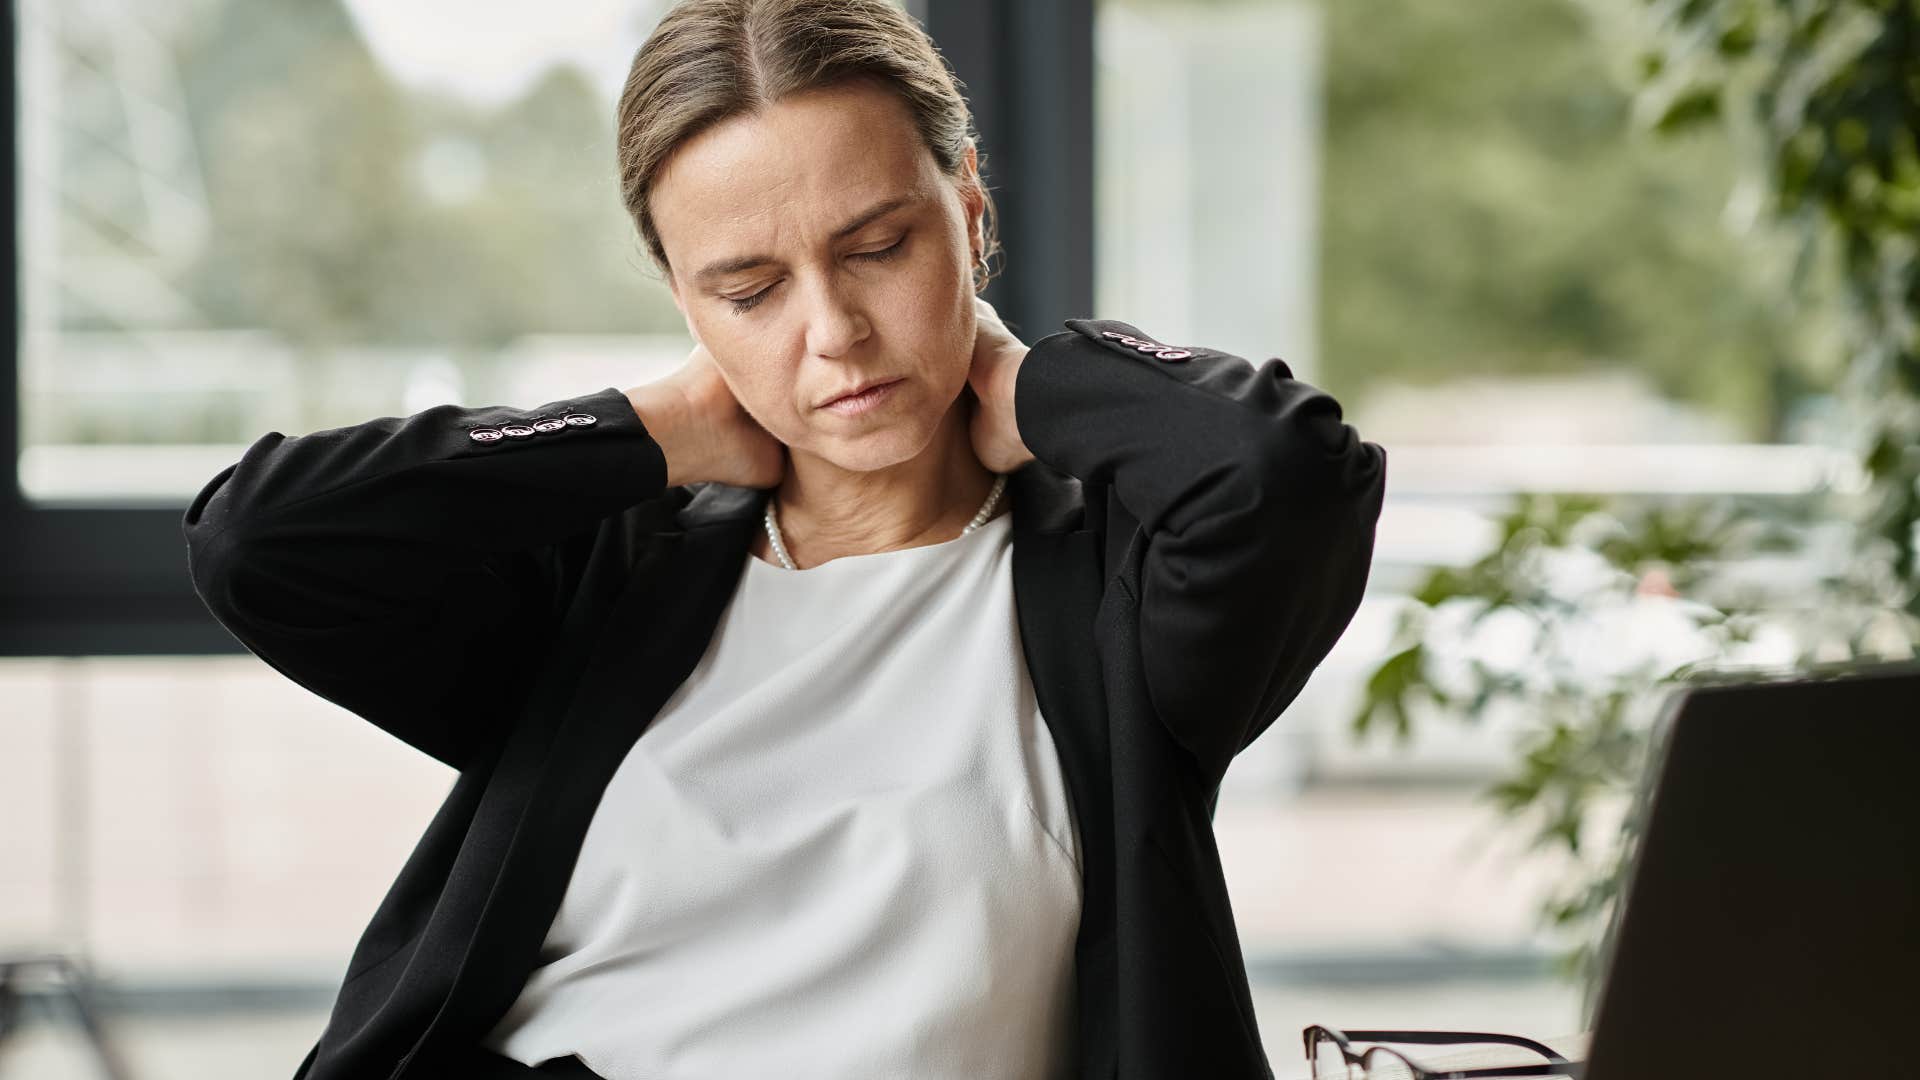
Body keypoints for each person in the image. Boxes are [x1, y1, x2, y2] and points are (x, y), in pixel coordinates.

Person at [180, 1, 1388, 1077]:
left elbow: (1282, 471)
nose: (834, 333)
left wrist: (1034, 385)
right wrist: (650, 430)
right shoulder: (606, 582)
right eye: (749, 290)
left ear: (970, 213)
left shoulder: (1118, 601)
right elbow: (261, 541)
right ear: (684, 304)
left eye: (878, 248)